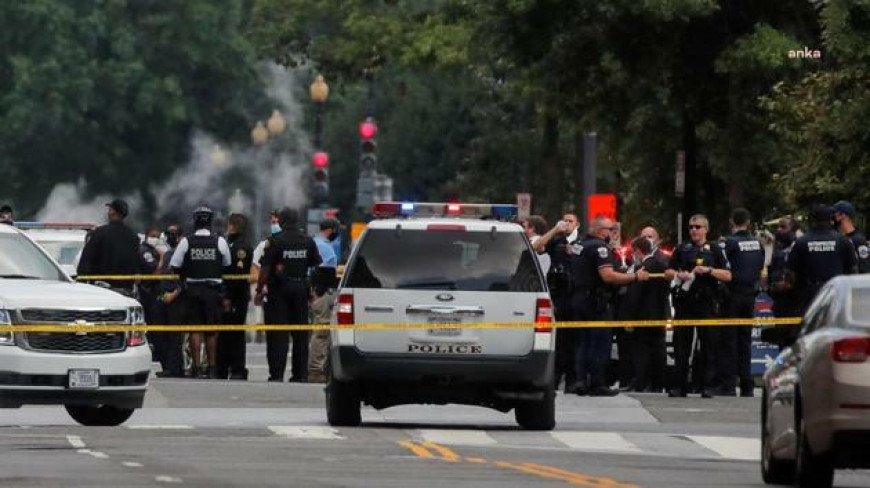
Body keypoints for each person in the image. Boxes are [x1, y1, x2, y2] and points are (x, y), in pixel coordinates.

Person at [567, 216, 649, 396]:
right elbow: (608, 276)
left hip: (579, 299)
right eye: (610, 229)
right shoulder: (599, 247)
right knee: (599, 343)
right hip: (596, 303)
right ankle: (597, 383)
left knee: (583, 343)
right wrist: (635, 277)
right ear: (598, 230)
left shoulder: (580, 245)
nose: (613, 233)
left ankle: (581, 380)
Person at [664, 214, 732, 398]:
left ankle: (707, 385)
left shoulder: (716, 250)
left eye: (698, 227)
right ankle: (680, 385)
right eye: (691, 227)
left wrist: (709, 270)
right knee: (681, 346)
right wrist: (679, 275)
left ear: (706, 229)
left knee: (709, 346)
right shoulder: (682, 249)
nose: (694, 230)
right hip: (685, 302)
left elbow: (728, 275)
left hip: (707, 303)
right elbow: (667, 272)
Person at [255, 207, 321, 383]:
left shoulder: (275, 241)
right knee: (300, 335)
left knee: (278, 334)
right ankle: (300, 374)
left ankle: (276, 374)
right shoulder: (308, 240)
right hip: (301, 289)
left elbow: (265, 269)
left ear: (282, 221)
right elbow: (316, 266)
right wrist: (312, 290)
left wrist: (259, 290)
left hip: (278, 291)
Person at [170, 206, 232, 378]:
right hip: (213, 291)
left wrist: (184, 277)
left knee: (195, 330)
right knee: (211, 331)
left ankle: (196, 367)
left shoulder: (186, 242)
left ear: (195, 221)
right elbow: (227, 265)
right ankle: (212, 367)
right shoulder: (219, 241)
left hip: (193, 290)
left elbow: (175, 265)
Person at [719, 208, 765, 397]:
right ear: (748, 221)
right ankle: (747, 385)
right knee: (745, 341)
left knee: (729, 340)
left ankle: (729, 385)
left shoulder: (729, 243)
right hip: (751, 295)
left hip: (732, 295)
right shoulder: (758, 243)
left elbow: (723, 267)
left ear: (732, 222)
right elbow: (760, 266)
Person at [532, 212, 579, 392]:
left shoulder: (580, 241)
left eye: (570, 221)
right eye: (564, 220)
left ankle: (573, 379)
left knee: (574, 340)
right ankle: (556, 377)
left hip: (575, 293)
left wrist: (574, 250)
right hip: (559, 294)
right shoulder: (556, 240)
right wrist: (554, 230)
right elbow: (537, 246)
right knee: (558, 340)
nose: (567, 223)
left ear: (577, 224)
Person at [786, 204, 857, 314]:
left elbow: (790, 274)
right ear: (831, 219)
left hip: (810, 296)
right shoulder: (843, 241)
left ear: (812, 220)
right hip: (837, 293)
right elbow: (853, 270)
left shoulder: (801, 242)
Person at [621, 236, 669, 392]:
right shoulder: (662, 266)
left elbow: (635, 296)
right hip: (660, 315)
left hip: (642, 317)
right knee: (659, 351)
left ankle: (641, 382)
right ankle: (658, 384)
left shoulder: (641, 269)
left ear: (638, 251)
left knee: (641, 352)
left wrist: (629, 319)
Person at [217, 213, 253, 380]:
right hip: (229, 294)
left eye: (229, 225)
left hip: (236, 296)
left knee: (236, 334)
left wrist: (228, 297)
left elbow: (236, 276)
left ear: (233, 226)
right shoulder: (229, 243)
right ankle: (222, 367)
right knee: (224, 334)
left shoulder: (241, 247)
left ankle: (237, 369)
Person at [76, 199, 141, 293]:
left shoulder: (99, 233)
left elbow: (86, 260)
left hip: (101, 290)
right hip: (126, 291)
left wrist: (81, 282)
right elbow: (136, 263)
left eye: (110, 209)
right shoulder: (134, 236)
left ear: (113, 212)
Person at [153, 225, 185, 378]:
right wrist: (160, 259)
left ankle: (175, 368)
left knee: (174, 335)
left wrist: (175, 293)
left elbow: (185, 278)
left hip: (176, 297)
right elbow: (159, 274)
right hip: (163, 295)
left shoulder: (183, 252)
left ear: (179, 236)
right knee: (161, 334)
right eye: (168, 234)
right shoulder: (166, 254)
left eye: (173, 234)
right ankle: (167, 365)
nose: (170, 237)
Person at [308, 266, 338, 383]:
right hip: (325, 288)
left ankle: (318, 369)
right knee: (323, 333)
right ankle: (317, 370)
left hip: (323, 287)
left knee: (323, 333)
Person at [768, 217, 800, 319]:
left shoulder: (799, 247)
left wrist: (788, 284)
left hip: (793, 298)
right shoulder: (778, 249)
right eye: (778, 227)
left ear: (793, 230)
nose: (778, 230)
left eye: (783, 227)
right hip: (777, 297)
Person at [832, 200, 870, 273]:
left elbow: (865, 268)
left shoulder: (858, 240)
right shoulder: (837, 238)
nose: (833, 216)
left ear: (843, 215)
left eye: (835, 213)